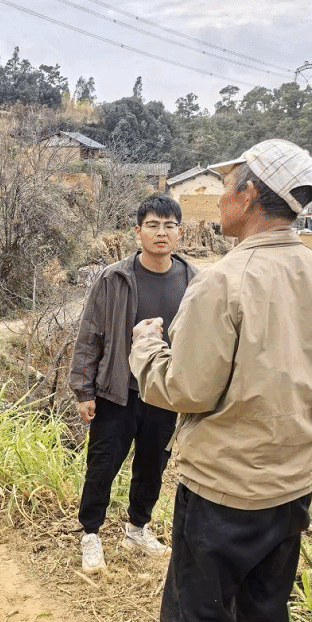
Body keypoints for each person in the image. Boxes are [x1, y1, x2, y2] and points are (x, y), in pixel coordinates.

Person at [129, 140, 312, 622]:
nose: (218, 197)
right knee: (265, 609)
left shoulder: (224, 281)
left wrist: (146, 349)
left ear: (251, 195)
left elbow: (186, 389)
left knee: (195, 620)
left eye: (227, 184)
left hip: (222, 490)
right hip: (292, 488)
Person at [68, 194, 198, 574]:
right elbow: (90, 334)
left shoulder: (194, 281)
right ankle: (91, 534)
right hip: (117, 392)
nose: (161, 233)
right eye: (152, 225)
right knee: (102, 464)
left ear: (179, 232)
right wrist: (84, 390)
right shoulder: (114, 278)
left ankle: (137, 528)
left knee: (153, 466)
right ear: (137, 231)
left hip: (165, 394)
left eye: (169, 225)